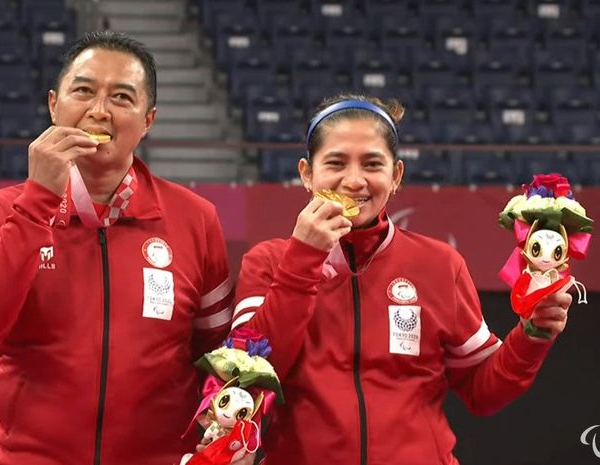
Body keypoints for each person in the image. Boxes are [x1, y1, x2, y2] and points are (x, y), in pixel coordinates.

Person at [0, 31, 240, 465]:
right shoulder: (0, 210)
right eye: (83, 91)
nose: (99, 111)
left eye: (122, 97)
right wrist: (36, 203)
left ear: (149, 119)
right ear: (53, 104)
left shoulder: (196, 219)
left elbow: (217, 353)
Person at [230, 93, 573, 465]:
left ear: (396, 176)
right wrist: (302, 260)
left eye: (373, 164)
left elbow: (483, 390)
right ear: (306, 174)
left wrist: (533, 333)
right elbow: (247, 374)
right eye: (336, 163)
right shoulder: (268, 263)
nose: (354, 180)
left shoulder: (439, 265)